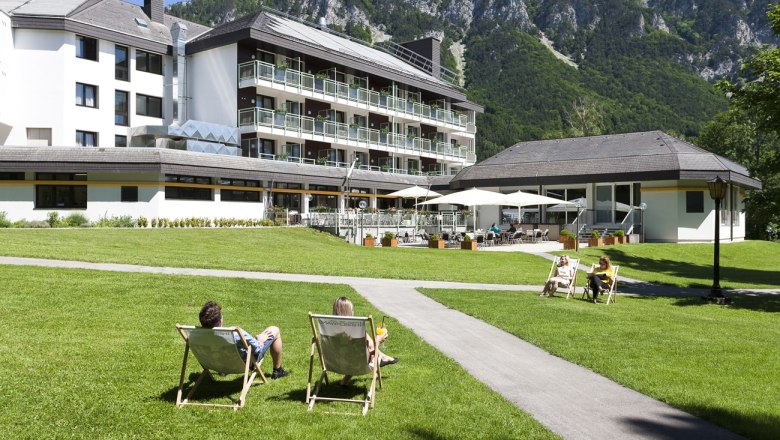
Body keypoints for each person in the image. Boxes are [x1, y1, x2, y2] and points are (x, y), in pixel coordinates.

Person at [198, 300, 289, 379]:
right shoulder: (234, 333)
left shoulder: (196, 335)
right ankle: (278, 370)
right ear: (220, 321)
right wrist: (260, 339)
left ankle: (223, 371)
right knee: (275, 329)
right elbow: (257, 349)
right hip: (244, 364)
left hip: (218, 364)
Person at [332, 296, 398, 385]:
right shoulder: (355, 329)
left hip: (335, 364)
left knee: (353, 356)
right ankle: (383, 357)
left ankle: (344, 381)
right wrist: (378, 340)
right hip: (359, 364)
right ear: (349, 312)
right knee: (373, 355)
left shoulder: (329, 328)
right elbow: (370, 350)